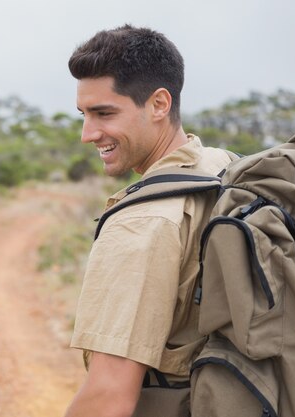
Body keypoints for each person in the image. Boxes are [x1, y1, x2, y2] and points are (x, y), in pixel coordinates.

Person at [63, 25, 233, 417]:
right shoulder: (222, 166)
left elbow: (109, 395)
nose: (88, 134)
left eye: (104, 113)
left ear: (159, 104)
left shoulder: (142, 222)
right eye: (84, 114)